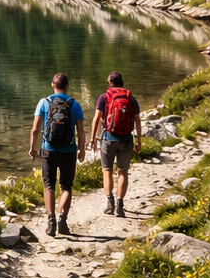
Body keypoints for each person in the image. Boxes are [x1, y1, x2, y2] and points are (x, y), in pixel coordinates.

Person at [27, 72, 86, 238]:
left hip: (48, 150)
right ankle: (62, 221)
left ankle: (51, 222)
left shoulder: (44, 103)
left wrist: (33, 148)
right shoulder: (75, 105)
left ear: (53, 85)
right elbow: (80, 130)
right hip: (69, 151)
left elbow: (35, 129)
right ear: (66, 86)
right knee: (66, 187)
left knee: (49, 186)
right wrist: (82, 148)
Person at [90, 70, 142, 218]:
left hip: (108, 137)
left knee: (107, 169)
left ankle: (110, 202)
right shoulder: (130, 97)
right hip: (126, 138)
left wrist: (92, 138)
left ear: (110, 83)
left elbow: (96, 118)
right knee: (122, 172)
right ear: (121, 82)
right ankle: (120, 205)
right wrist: (139, 139)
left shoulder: (104, 97)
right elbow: (137, 119)